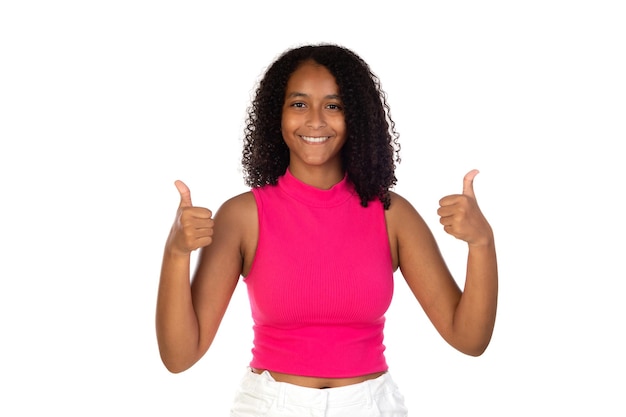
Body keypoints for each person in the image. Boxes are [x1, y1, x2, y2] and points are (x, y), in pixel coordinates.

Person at [156, 43, 498, 416]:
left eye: (333, 106)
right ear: (277, 114)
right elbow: (179, 356)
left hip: (369, 406)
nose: (315, 120)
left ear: (356, 117)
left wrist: (482, 242)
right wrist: (175, 253)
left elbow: (469, 339)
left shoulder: (391, 214)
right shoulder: (242, 216)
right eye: (299, 104)